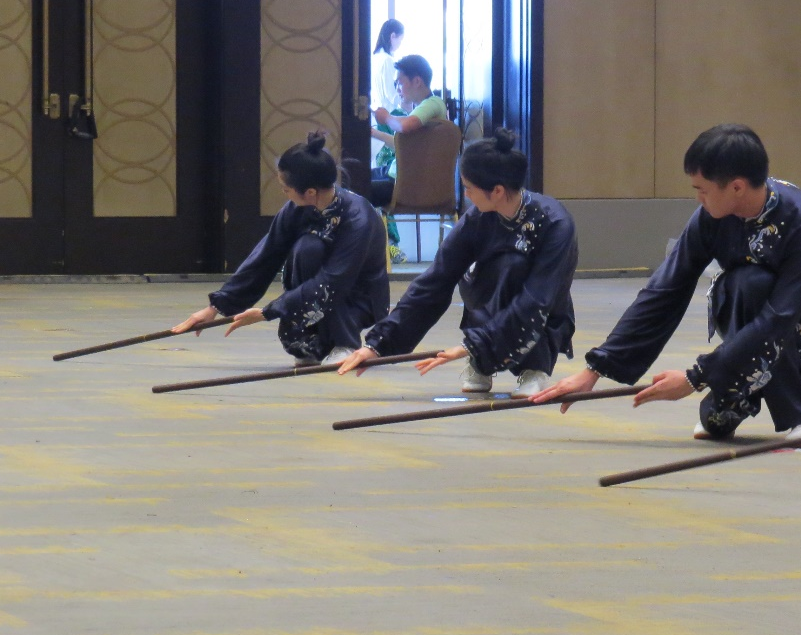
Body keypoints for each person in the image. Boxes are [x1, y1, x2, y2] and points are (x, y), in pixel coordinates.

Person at [530, 123, 801, 446]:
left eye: (703, 190)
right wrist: (594, 370)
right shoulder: (711, 217)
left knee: (758, 291)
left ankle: (800, 414)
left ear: (737, 187)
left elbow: (780, 317)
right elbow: (664, 291)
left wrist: (694, 377)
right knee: (747, 284)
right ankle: (732, 401)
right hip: (744, 310)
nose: (699, 198)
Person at [338, 128, 577, 398]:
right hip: (486, 304)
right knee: (484, 272)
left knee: (514, 267)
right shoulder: (477, 218)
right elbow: (435, 280)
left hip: (541, 308)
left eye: (468, 188)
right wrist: (378, 343)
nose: (466, 195)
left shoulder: (555, 224)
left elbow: (538, 298)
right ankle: (482, 362)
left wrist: (471, 345)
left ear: (497, 191)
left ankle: (535, 368)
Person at [172, 133, 390, 366]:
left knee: (324, 271)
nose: (284, 193)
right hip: (320, 288)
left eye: (286, 189)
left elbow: (334, 280)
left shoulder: (358, 218)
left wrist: (268, 311)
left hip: (357, 294)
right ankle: (315, 342)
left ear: (310, 192)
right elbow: (265, 257)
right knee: (308, 248)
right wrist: (215, 307)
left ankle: (345, 343)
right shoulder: (298, 208)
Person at [368, 54, 449, 209]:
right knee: (350, 178)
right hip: (395, 174)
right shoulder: (420, 110)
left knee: (354, 187)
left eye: (400, 83)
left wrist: (386, 117)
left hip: (404, 184)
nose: (397, 88)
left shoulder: (433, 103)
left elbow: (404, 126)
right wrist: (374, 133)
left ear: (417, 81)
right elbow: (402, 144)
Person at [369, 19, 404, 113]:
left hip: (376, 111)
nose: (400, 44)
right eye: (400, 40)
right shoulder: (387, 60)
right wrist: (404, 99)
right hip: (388, 113)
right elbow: (391, 94)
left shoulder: (375, 57)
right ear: (393, 36)